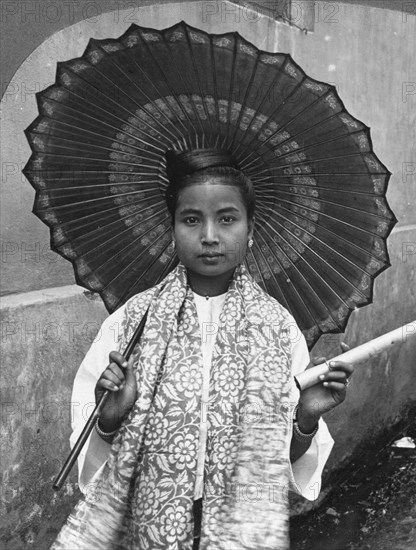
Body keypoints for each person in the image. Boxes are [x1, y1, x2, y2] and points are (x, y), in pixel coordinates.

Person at [52, 148, 354, 550]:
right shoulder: (133, 321)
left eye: (227, 219)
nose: (209, 236)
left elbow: (284, 466)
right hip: (146, 529)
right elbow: (94, 441)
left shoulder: (277, 328)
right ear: (173, 227)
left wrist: (306, 417)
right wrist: (109, 418)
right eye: (191, 219)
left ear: (250, 229)